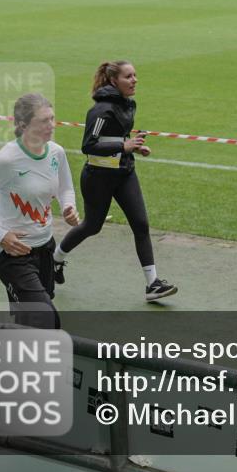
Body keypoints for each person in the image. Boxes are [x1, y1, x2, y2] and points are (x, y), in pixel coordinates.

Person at [54, 61, 177, 301]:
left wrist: (133, 147)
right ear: (114, 81)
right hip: (98, 178)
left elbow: (118, 136)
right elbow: (89, 145)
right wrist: (124, 145)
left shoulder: (129, 104)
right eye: (128, 76)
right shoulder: (100, 111)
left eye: (135, 76)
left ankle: (153, 284)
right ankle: (55, 259)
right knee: (92, 226)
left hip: (124, 173)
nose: (134, 80)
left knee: (140, 225)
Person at [0, 93, 79, 329]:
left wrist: (68, 206)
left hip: (45, 247)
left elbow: (66, 187)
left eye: (52, 119)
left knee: (29, 318)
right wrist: (0, 236)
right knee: (46, 317)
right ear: (23, 125)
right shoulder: (6, 160)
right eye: (43, 121)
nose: (51, 125)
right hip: (12, 256)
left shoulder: (56, 152)